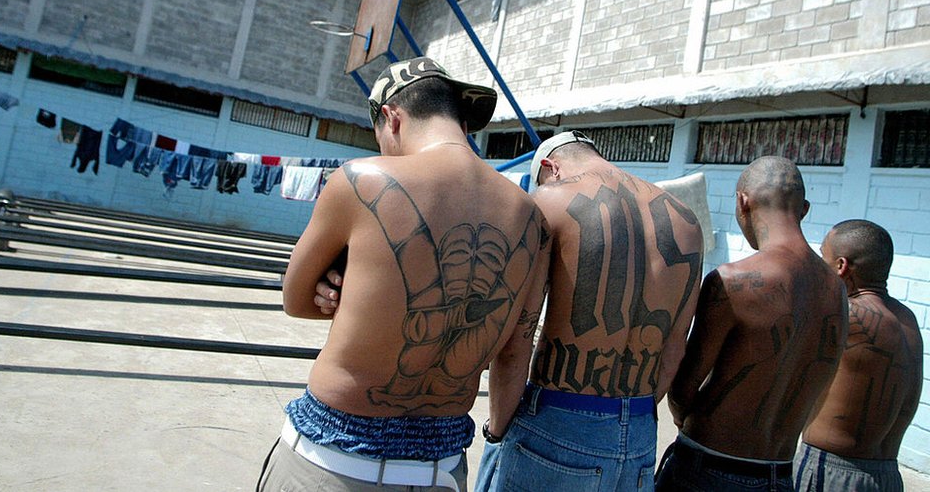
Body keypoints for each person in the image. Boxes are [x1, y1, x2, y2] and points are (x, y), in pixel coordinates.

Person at [256, 56, 550, 492]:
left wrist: (341, 297)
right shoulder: (531, 217)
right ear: (462, 124)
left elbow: (294, 300)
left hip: (330, 460)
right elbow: (514, 347)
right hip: (440, 469)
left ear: (391, 119)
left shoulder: (360, 180)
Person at [476, 131, 705, 491]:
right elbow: (675, 347)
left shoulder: (550, 200)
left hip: (559, 419)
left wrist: (496, 428)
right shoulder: (685, 219)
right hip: (641, 429)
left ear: (550, 167)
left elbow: (516, 341)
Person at [654, 156, 848, 492]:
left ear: (743, 202)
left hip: (710, 468)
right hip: (780, 473)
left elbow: (683, 387)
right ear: (804, 209)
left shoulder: (732, 281)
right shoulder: (837, 291)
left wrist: (685, 421)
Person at [794, 220, 923, 492]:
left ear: (841, 266)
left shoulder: (844, 313)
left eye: (822, 256)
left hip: (832, 472)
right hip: (888, 475)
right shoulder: (907, 320)